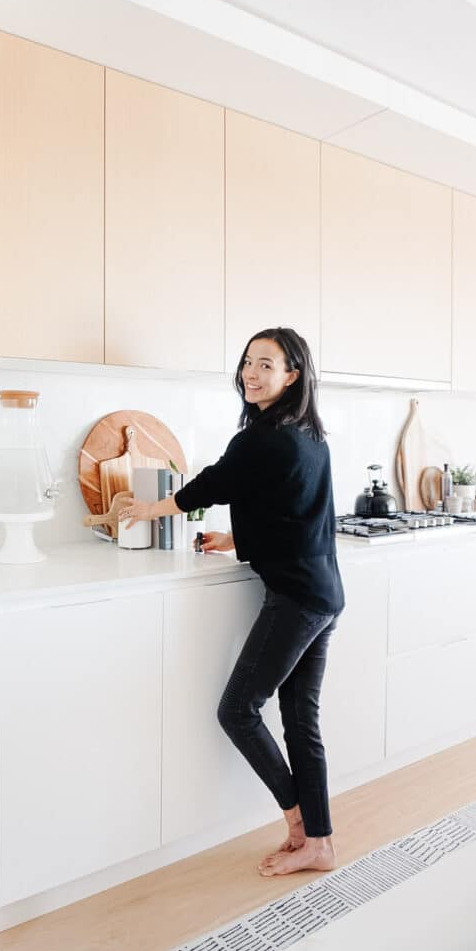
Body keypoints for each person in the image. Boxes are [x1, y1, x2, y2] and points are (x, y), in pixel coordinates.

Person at [119, 327, 345, 877]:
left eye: (266, 364)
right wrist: (237, 541)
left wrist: (150, 509)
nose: (251, 373)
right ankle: (319, 842)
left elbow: (213, 484)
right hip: (323, 594)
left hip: (295, 599)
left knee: (238, 711)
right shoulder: (311, 437)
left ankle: (297, 824)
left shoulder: (264, 437)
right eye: (247, 362)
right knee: (300, 721)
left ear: (292, 375)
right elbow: (298, 521)